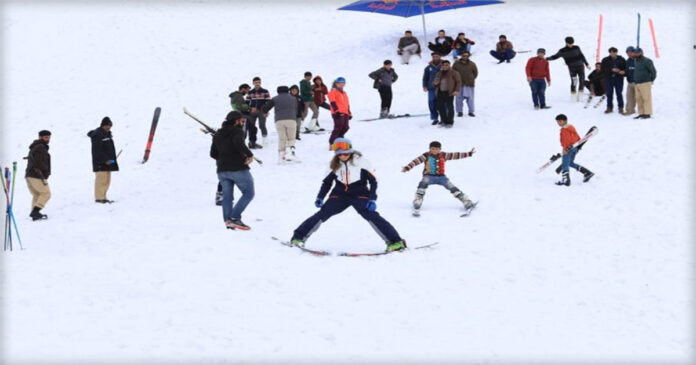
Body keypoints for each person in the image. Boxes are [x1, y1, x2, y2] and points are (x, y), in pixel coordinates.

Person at [289, 138, 407, 253]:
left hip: (360, 194)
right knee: (322, 214)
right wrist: (320, 197)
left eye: (345, 153)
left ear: (350, 150)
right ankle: (298, 238)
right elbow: (327, 183)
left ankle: (395, 242)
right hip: (339, 195)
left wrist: (372, 199)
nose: (342, 156)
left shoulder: (362, 162)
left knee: (372, 216)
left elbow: (373, 182)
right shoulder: (334, 164)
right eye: (339, 154)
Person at [401, 141, 476, 214]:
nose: (435, 151)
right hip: (429, 176)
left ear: (440, 149)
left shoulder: (443, 155)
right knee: (423, 184)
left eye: (437, 149)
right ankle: (418, 200)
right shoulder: (426, 155)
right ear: (429, 149)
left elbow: (456, 155)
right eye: (433, 149)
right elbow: (415, 161)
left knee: (451, 187)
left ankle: (466, 201)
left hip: (441, 177)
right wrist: (407, 167)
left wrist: (469, 153)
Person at [210, 111, 256, 230]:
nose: (242, 123)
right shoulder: (237, 131)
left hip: (222, 170)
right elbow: (238, 143)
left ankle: (228, 221)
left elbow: (213, 153)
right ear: (236, 121)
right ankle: (235, 218)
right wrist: (249, 155)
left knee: (227, 197)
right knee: (249, 193)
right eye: (241, 120)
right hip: (238, 168)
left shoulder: (218, 134)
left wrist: (224, 159)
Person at [261, 86, 300, 163]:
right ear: (288, 91)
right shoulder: (293, 98)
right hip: (291, 119)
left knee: (282, 139)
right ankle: (289, 153)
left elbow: (265, 108)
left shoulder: (275, 98)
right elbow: (296, 108)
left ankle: (281, 157)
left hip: (279, 120)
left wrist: (265, 112)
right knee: (291, 138)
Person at [554, 114, 594, 186]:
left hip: (568, 148)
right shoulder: (571, 128)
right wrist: (578, 147)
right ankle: (587, 172)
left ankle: (566, 180)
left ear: (565, 121)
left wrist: (565, 149)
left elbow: (566, 140)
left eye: (560, 121)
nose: (558, 123)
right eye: (557, 122)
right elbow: (577, 137)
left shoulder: (564, 130)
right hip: (574, 148)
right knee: (570, 163)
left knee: (565, 163)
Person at [87, 117, 119, 203]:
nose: (109, 127)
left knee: (106, 181)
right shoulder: (97, 135)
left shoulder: (107, 134)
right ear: (103, 125)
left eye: (110, 126)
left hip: (108, 162)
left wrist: (112, 160)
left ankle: (103, 197)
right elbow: (97, 150)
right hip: (101, 163)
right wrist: (105, 160)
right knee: (101, 180)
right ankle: (99, 198)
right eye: (107, 125)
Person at [25, 130, 51, 220]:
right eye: (46, 137)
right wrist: (45, 172)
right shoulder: (40, 147)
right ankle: (35, 211)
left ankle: (34, 216)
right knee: (46, 193)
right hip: (36, 175)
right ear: (40, 137)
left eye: (49, 137)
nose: (48, 139)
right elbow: (39, 162)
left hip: (29, 175)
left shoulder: (36, 146)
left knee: (37, 194)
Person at [230, 83, 261, 149]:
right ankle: (241, 145)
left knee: (253, 129)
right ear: (243, 89)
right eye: (247, 90)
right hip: (241, 116)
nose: (247, 92)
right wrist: (249, 108)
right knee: (243, 131)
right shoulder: (237, 96)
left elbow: (239, 105)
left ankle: (252, 143)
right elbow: (238, 106)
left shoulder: (238, 96)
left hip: (243, 115)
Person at [432, 60, 462, 128]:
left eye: (447, 65)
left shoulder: (454, 73)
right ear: (441, 66)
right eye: (443, 65)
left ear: (449, 65)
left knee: (450, 107)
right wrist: (435, 83)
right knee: (441, 108)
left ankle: (450, 122)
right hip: (440, 92)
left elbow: (458, 82)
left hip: (449, 92)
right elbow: (435, 82)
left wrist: (456, 90)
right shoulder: (439, 73)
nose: (445, 66)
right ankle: (443, 121)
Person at [600, 47, 627, 114]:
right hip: (609, 79)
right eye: (611, 52)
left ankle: (621, 107)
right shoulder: (605, 60)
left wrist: (622, 71)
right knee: (609, 94)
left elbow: (625, 68)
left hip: (618, 79)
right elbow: (603, 69)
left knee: (619, 93)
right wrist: (611, 70)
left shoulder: (621, 59)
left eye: (614, 52)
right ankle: (609, 107)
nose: (613, 54)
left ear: (616, 52)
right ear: (609, 53)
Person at [632, 47, 657, 119]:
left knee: (646, 98)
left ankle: (647, 113)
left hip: (645, 82)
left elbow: (653, 71)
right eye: (635, 53)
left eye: (638, 52)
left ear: (641, 53)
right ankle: (641, 113)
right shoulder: (636, 61)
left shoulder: (647, 61)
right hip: (637, 83)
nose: (636, 54)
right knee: (638, 99)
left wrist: (651, 80)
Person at [452, 50, 478, 117]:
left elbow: (475, 73)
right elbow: (452, 73)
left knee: (470, 99)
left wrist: (471, 78)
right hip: (459, 84)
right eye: (464, 55)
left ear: (468, 56)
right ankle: (459, 111)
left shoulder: (472, 64)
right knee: (459, 99)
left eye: (466, 56)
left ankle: (471, 111)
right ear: (461, 56)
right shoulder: (456, 64)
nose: (465, 57)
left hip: (469, 84)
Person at [246, 77, 271, 146]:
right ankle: (251, 141)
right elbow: (247, 102)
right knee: (251, 126)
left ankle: (265, 140)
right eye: (256, 82)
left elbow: (269, 102)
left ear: (260, 83)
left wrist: (266, 111)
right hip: (252, 112)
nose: (257, 84)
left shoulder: (265, 91)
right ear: (253, 83)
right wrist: (250, 109)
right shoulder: (250, 92)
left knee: (262, 125)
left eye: (259, 82)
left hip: (262, 111)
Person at [327, 77, 352, 144]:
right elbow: (332, 102)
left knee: (346, 127)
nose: (341, 85)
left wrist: (349, 113)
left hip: (345, 112)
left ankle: (339, 139)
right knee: (338, 127)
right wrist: (336, 111)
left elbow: (347, 104)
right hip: (337, 113)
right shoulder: (332, 92)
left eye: (343, 83)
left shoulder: (344, 93)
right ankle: (332, 142)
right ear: (336, 84)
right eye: (340, 83)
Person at [422, 52, 443, 125]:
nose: (435, 58)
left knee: (441, 103)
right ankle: (435, 118)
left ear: (440, 57)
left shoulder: (444, 66)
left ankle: (443, 118)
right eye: (434, 57)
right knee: (431, 102)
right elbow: (425, 78)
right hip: (431, 88)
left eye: (437, 56)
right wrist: (424, 86)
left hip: (442, 88)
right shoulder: (428, 67)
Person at [623, 46, 637, 116]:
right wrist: (623, 73)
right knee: (629, 97)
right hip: (630, 82)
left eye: (630, 52)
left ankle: (643, 111)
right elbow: (626, 71)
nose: (628, 54)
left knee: (639, 98)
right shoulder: (627, 61)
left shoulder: (638, 60)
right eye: (627, 52)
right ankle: (630, 110)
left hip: (638, 82)